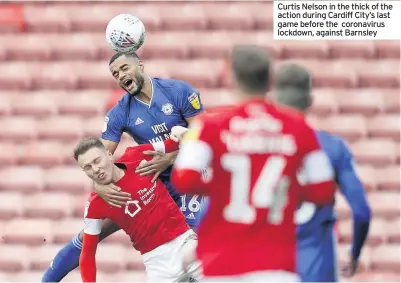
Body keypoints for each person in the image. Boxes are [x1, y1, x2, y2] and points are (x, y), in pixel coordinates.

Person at [171, 45, 336, 282]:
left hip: (221, 264)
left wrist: (222, 186)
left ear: (231, 78)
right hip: (276, 265)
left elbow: (184, 179)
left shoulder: (209, 126)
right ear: (270, 80)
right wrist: (286, 190)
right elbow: (324, 190)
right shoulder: (299, 128)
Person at [42, 52, 205, 282]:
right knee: (91, 233)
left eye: (124, 68)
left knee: (202, 243)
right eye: (115, 74)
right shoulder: (120, 113)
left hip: (188, 178)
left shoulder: (177, 91)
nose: (121, 76)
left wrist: (170, 158)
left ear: (140, 64)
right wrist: (99, 187)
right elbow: (100, 156)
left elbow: (203, 138)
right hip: (152, 181)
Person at [273, 63, 371, 282]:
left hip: (268, 266)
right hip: (316, 266)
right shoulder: (332, 147)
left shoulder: (256, 145)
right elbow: (362, 211)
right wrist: (354, 254)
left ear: (276, 101)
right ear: (309, 101)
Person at [75, 134, 201, 282]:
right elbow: (88, 253)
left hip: (186, 245)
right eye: (87, 167)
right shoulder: (94, 204)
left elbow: (177, 143)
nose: (95, 169)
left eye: (97, 160)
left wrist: (169, 156)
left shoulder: (136, 155)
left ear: (109, 155)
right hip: (157, 266)